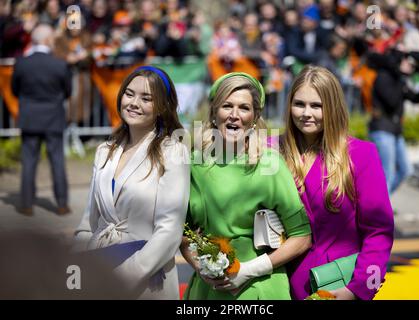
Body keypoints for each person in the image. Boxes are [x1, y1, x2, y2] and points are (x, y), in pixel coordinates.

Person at [180, 72, 312, 300]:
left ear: (254, 117)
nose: (234, 115)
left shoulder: (270, 165)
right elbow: (182, 233)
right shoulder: (195, 164)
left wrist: (248, 270)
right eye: (226, 106)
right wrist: (203, 269)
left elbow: (301, 237)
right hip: (208, 291)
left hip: (261, 289)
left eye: (244, 108)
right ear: (213, 113)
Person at [277, 65, 394, 300]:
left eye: (317, 106)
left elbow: (379, 232)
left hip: (336, 286)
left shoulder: (362, 155)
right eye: (299, 104)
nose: (306, 113)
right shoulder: (270, 149)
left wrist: (359, 289)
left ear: (332, 107)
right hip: (274, 282)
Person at [73, 66, 190, 299]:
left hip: (146, 281)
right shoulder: (104, 151)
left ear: (162, 107)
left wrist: (123, 276)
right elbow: (89, 221)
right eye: (129, 94)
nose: (134, 103)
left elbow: (169, 231)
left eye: (146, 98)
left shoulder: (173, 152)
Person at [12, 24, 72, 216]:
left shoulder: (22, 63)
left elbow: (15, 89)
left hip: (29, 117)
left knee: (29, 161)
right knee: (57, 161)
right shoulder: (60, 64)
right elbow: (68, 91)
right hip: (53, 117)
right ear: (48, 40)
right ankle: (62, 204)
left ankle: (27, 204)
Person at [368, 49, 419, 194]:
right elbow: (392, 101)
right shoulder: (384, 76)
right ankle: (380, 210)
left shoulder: (399, 79)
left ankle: (381, 204)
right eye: (408, 63)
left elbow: (415, 98)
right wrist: (401, 78)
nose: (410, 67)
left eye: (413, 66)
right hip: (382, 129)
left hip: (394, 131)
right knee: (386, 174)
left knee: (405, 170)